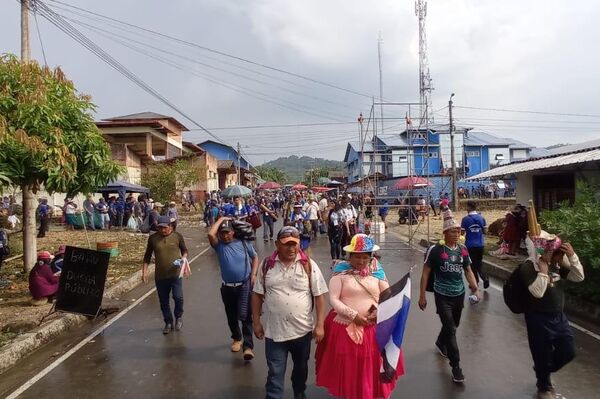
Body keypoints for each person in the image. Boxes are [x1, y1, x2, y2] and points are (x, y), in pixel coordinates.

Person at [316, 234, 401, 399]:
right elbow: (333, 299)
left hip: (373, 327)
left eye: (364, 257)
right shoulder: (340, 271)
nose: (361, 261)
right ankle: (351, 392)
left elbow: (387, 293)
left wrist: (378, 311)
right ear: (350, 256)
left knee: (372, 364)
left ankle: (369, 392)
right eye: (357, 256)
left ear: (370, 257)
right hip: (345, 327)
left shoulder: (377, 271)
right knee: (349, 365)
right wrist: (352, 315)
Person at [252, 226, 328, 399]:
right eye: (286, 244)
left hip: (302, 332)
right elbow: (257, 295)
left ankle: (299, 392)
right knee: (275, 375)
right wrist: (256, 322)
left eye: (294, 244)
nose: (291, 248)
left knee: (301, 370)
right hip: (275, 334)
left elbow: (319, 296)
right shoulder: (266, 265)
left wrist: (320, 325)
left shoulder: (308, 264)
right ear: (278, 244)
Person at [418, 204, 480, 383]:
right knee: (451, 329)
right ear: (445, 232)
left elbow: (468, 270)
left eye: (458, 231)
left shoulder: (462, 250)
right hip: (442, 295)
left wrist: (475, 287)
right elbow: (425, 273)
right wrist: (422, 296)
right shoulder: (435, 250)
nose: (456, 234)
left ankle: (440, 342)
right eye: (453, 231)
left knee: (454, 325)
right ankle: (456, 367)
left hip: (458, 294)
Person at [519, 231, 584, 398]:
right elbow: (537, 292)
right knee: (542, 352)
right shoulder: (528, 266)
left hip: (558, 316)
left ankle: (543, 369)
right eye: (554, 253)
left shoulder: (557, 264)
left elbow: (578, 277)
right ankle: (544, 386)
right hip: (537, 318)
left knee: (568, 350)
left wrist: (572, 255)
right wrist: (542, 271)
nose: (556, 256)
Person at [208, 216, 258, 361]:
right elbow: (211, 234)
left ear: (233, 232)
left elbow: (255, 257)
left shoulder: (243, 243)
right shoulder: (219, 246)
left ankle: (248, 347)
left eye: (227, 232)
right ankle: (236, 338)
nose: (225, 235)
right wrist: (221, 218)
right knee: (231, 316)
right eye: (222, 232)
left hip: (244, 285)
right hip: (228, 288)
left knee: (246, 316)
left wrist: (253, 274)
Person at [142, 216, 188, 334]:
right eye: (160, 227)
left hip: (175, 274)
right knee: (163, 301)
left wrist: (183, 258)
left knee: (178, 297)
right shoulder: (153, 238)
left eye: (165, 227)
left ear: (170, 226)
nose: (162, 230)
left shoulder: (177, 236)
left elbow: (185, 250)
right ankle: (168, 322)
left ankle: (178, 317)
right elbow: (147, 256)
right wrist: (144, 272)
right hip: (160, 276)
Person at [461, 201, 489, 289]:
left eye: (467, 207)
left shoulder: (465, 219)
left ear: (469, 207)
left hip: (470, 245)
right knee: (479, 263)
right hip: (480, 244)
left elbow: (462, 233)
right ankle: (485, 278)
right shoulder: (481, 218)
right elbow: (485, 231)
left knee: (472, 264)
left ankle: (475, 282)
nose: (466, 208)